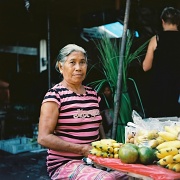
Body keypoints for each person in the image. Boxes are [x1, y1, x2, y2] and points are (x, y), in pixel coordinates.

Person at [38, 44, 128, 180]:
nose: (78, 68)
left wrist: (107, 147)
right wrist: (82, 149)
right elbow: (43, 138)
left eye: (83, 62)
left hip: (93, 160)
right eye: (72, 63)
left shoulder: (92, 94)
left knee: (132, 174)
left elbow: (99, 125)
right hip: (64, 164)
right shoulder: (54, 95)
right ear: (61, 67)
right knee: (106, 179)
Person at [142, 7, 180, 117]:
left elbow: (146, 67)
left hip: (159, 89)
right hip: (177, 90)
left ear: (162, 21)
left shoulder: (156, 39)